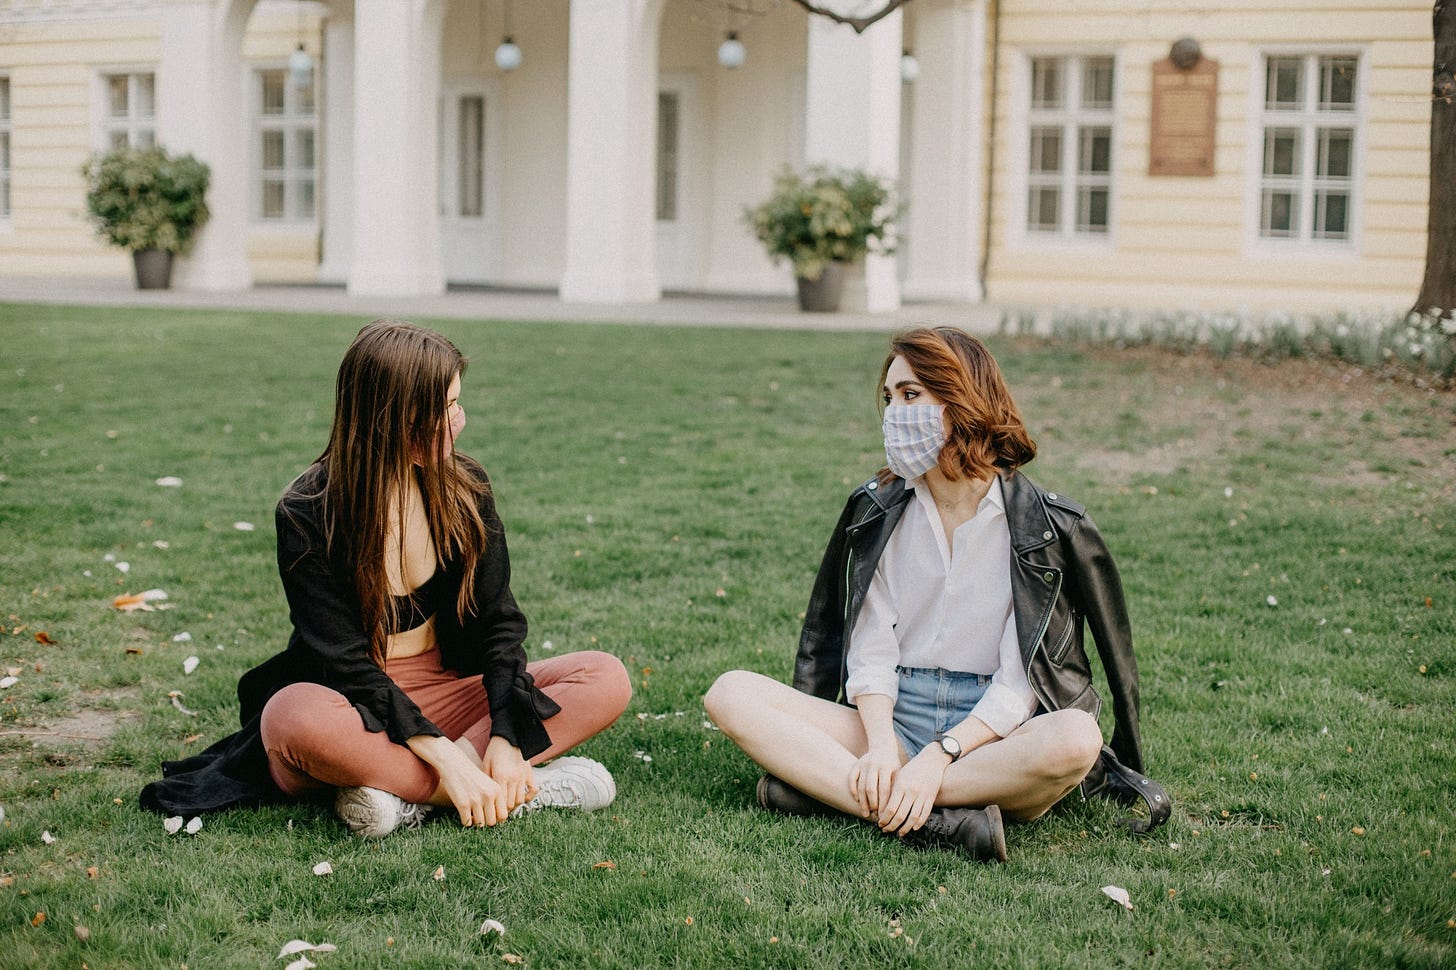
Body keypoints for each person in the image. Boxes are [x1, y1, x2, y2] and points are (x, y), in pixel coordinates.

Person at [141, 320, 632, 837]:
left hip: (445, 688)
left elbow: (499, 626)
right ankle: (500, 791)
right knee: (291, 716)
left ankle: (408, 796)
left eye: (456, 405)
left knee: (604, 677)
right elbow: (343, 663)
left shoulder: (466, 490)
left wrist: (508, 741)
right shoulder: (308, 512)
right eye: (436, 413)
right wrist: (448, 757)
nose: (455, 424)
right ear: (383, 419)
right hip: (353, 704)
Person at [705, 326, 1152, 863]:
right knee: (728, 693)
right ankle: (946, 818)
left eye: (912, 395)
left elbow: (1019, 684)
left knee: (1076, 738)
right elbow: (870, 651)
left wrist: (940, 756)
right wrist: (876, 746)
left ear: (962, 401)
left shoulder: (1041, 526)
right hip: (893, 714)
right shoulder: (882, 509)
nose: (896, 412)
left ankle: (851, 793)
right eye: (891, 398)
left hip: (991, 734)